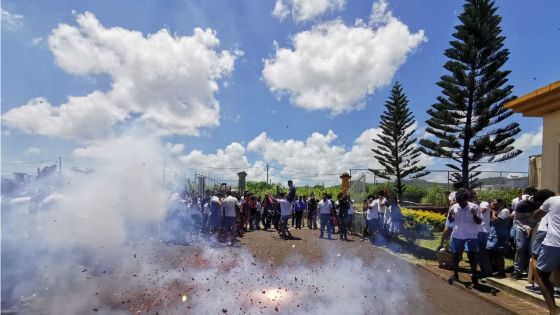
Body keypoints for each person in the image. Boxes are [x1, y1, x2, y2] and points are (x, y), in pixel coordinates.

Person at [531, 190, 560, 314]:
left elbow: (535, 216)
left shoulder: (552, 200)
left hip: (554, 243)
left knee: (541, 275)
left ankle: (553, 312)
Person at [447, 188, 482, 287]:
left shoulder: (474, 207)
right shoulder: (454, 207)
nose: (460, 204)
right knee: (455, 255)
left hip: (471, 234)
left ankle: (474, 277)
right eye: (459, 202)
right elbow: (451, 221)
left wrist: (474, 215)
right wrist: (450, 215)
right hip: (457, 234)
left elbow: (479, 222)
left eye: (462, 202)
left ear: (467, 199)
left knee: (471, 255)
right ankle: (456, 274)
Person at [511, 187, 539, 279]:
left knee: (532, 250)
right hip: (521, 227)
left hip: (535, 227)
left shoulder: (539, 204)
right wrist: (526, 227)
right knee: (521, 248)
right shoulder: (520, 204)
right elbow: (517, 219)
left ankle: (529, 271)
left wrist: (534, 227)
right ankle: (517, 271)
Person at [486, 198, 511, 278]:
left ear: (500, 203)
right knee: (490, 252)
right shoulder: (496, 211)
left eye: (494, 201)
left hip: (500, 235)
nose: (492, 203)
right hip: (493, 234)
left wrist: (493, 211)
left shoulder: (505, 211)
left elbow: (495, 220)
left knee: (499, 254)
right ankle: (491, 270)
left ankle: (501, 272)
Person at [478, 200, 492, 279]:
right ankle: (484, 271)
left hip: (482, 231)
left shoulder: (484, 203)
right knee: (480, 252)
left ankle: (487, 271)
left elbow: (482, 210)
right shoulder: (478, 204)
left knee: (482, 252)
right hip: (481, 231)